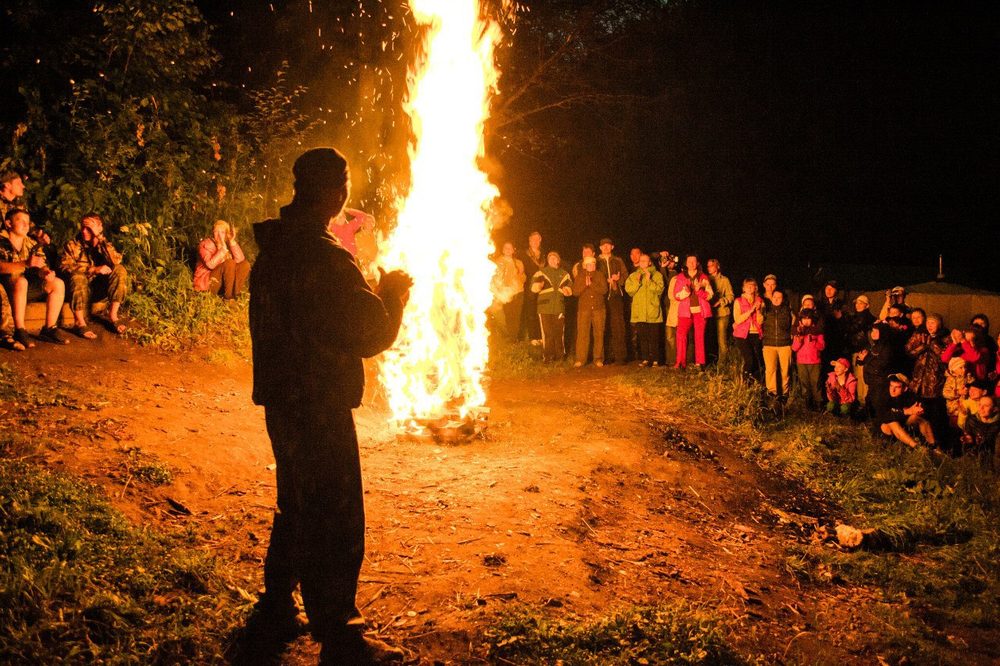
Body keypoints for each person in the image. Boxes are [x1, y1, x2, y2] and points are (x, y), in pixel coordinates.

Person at [244, 147, 412, 665]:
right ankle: (341, 635)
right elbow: (370, 332)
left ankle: (276, 606)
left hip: (281, 399)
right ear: (335, 193)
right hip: (318, 402)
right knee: (335, 514)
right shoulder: (324, 256)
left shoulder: (274, 250)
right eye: (343, 187)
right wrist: (394, 294)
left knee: (296, 502)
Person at [0, 208, 69, 346]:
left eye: (28, 222)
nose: (26, 225)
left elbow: (40, 264)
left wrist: (45, 272)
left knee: (57, 283)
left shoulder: (31, 243)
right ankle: (20, 330)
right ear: (8, 223)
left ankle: (49, 328)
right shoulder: (2, 240)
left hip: (24, 288)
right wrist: (25, 263)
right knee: (20, 281)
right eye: (22, 221)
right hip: (6, 288)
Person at [60, 213, 128, 337]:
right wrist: (93, 269)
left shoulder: (104, 244)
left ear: (99, 228)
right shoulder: (72, 245)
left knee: (120, 270)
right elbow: (65, 267)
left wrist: (99, 238)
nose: (85, 231)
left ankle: (113, 316)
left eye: (89, 228)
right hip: (80, 290)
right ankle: (79, 322)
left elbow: (116, 261)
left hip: (99, 290)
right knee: (77, 276)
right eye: (83, 227)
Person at [906, 310, 948, 441]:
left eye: (933, 323)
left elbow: (944, 357)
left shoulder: (945, 337)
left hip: (934, 381)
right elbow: (909, 351)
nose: (930, 325)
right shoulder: (921, 335)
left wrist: (933, 344)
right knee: (919, 409)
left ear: (939, 324)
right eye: (928, 322)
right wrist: (923, 346)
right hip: (919, 379)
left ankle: (935, 440)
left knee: (934, 412)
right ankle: (919, 437)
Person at [530, 251, 572, 363]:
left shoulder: (564, 274)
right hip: (544, 308)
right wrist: (538, 286)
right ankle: (547, 357)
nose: (552, 260)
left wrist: (567, 290)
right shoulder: (541, 272)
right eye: (550, 258)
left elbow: (570, 288)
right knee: (547, 333)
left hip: (558, 308)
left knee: (559, 333)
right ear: (548, 261)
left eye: (555, 258)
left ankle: (560, 357)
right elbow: (533, 287)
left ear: (558, 260)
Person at [673, 254, 713, 369]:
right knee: (681, 335)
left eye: (694, 261)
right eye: (689, 261)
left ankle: (699, 363)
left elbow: (710, 295)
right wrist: (686, 292)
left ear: (697, 263)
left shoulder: (703, 277)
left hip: (700, 312)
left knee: (699, 337)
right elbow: (676, 295)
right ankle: (680, 362)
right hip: (685, 312)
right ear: (686, 263)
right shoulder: (680, 277)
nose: (691, 263)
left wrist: (699, 290)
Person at [193, 220, 250, 299]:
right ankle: (228, 298)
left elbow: (240, 260)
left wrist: (231, 241)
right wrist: (222, 249)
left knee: (245, 265)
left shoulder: (224, 244)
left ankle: (234, 295)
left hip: (220, 283)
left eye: (222, 232)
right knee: (229, 263)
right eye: (216, 231)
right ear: (213, 232)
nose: (219, 235)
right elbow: (210, 265)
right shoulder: (205, 244)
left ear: (226, 235)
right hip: (206, 285)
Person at [876, 373, 936, 449]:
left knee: (918, 418)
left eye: (897, 387)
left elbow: (923, 411)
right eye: (891, 386)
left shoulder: (910, 398)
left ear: (905, 389)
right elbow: (883, 416)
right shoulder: (884, 397)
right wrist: (906, 412)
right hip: (888, 432)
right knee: (891, 422)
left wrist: (920, 411)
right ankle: (917, 447)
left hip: (905, 430)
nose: (893, 390)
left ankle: (934, 447)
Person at [625, 253, 664, 367]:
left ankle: (655, 360)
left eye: (645, 261)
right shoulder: (633, 275)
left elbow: (660, 290)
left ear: (649, 262)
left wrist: (649, 279)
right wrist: (638, 282)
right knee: (643, 337)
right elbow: (629, 291)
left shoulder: (656, 275)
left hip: (653, 311)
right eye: (641, 261)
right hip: (639, 312)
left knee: (654, 337)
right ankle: (646, 359)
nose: (642, 263)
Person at [572, 255, 608, 367]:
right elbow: (575, 292)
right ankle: (580, 359)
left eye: (593, 264)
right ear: (584, 266)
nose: (591, 266)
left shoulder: (600, 275)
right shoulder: (580, 276)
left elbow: (604, 290)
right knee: (582, 334)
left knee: (599, 334)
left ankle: (598, 359)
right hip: (584, 309)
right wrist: (584, 285)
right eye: (588, 264)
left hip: (599, 309)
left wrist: (591, 284)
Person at [597, 238, 628, 364]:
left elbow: (625, 276)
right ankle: (606, 357)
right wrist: (605, 281)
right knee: (603, 326)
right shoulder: (597, 262)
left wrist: (618, 279)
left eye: (608, 245)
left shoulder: (618, 260)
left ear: (612, 247)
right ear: (600, 248)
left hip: (615, 296)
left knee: (618, 326)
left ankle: (621, 357)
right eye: (603, 245)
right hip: (602, 297)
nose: (605, 247)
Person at [856, 323, 896, 419]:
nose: (873, 334)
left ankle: (880, 424)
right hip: (872, 380)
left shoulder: (887, 347)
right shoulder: (873, 345)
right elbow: (868, 360)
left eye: (876, 331)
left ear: (883, 333)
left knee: (877, 403)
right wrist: (860, 359)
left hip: (880, 381)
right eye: (872, 331)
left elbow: (881, 364)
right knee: (869, 401)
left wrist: (866, 359)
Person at [762, 289, 795, 401]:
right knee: (770, 370)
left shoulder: (787, 310)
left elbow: (794, 324)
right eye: (774, 297)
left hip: (784, 344)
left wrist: (792, 334)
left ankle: (784, 393)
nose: (776, 299)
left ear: (783, 299)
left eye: (779, 297)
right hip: (769, 344)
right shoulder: (766, 309)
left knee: (785, 370)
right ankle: (772, 393)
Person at [489, 241, 525, 341]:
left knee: (516, 317)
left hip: (518, 292)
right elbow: (494, 277)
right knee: (506, 316)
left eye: (510, 248)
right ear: (503, 250)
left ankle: (514, 338)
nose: (508, 250)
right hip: (504, 294)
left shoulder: (519, 263)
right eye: (506, 248)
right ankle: (507, 335)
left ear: (513, 250)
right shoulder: (497, 262)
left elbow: (523, 276)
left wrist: (520, 278)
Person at [845, 294, 876, 405]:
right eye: (856, 303)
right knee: (857, 376)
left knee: (863, 378)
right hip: (855, 350)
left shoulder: (867, 318)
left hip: (862, 351)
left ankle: (863, 402)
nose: (857, 305)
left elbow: (857, 331)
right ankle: (859, 401)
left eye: (861, 303)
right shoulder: (855, 317)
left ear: (867, 305)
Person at [792, 308, 825, 409]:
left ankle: (818, 403)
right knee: (804, 382)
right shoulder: (798, 332)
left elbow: (822, 346)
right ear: (800, 320)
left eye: (808, 318)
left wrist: (814, 341)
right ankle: (807, 403)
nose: (806, 321)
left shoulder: (817, 332)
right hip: (801, 362)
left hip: (814, 361)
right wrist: (799, 340)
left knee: (816, 382)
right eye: (804, 319)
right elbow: (794, 348)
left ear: (812, 320)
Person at [732, 277, 764, 381]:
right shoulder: (738, 301)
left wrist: (758, 310)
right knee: (749, 358)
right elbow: (737, 319)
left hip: (756, 333)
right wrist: (750, 311)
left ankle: (755, 382)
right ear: (743, 288)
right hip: (742, 334)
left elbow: (760, 321)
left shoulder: (760, 301)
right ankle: (745, 382)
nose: (750, 288)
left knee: (757, 360)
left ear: (756, 288)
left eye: (752, 286)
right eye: (747, 286)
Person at [519, 231, 545, 345]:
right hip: (529, 286)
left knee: (541, 310)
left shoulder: (544, 255)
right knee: (531, 311)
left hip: (542, 286)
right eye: (532, 239)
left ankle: (540, 336)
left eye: (537, 239)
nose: (535, 241)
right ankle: (533, 336)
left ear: (540, 241)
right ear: (529, 241)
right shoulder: (523, 254)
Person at [706, 258, 734, 364]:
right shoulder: (705, 279)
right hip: (709, 313)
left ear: (717, 266)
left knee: (722, 339)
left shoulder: (724, 280)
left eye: (712, 265)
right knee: (709, 338)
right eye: (708, 266)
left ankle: (722, 364)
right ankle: (710, 362)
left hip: (722, 313)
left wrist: (721, 301)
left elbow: (731, 296)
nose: (709, 268)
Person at [960, 395, 1000, 465]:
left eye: (986, 406)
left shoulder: (997, 423)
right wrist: (968, 439)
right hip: (975, 457)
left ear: (995, 409)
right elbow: (968, 437)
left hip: (993, 458)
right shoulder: (972, 420)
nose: (981, 408)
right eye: (980, 404)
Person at [659, 252, 680, 366]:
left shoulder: (676, 274)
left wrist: (664, 268)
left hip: (673, 307)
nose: (669, 263)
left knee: (672, 334)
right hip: (665, 306)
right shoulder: (664, 271)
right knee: (668, 335)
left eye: (671, 261)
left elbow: (666, 283)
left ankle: (675, 359)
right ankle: (670, 359)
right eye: (667, 260)